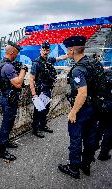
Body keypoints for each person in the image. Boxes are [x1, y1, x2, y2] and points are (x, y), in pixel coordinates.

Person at [58, 36, 98, 179]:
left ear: (72, 50)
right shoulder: (92, 62)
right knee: (90, 137)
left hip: (83, 108)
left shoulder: (78, 70)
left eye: (67, 50)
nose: (67, 53)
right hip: (95, 107)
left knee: (76, 138)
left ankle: (74, 167)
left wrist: (73, 112)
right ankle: (86, 164)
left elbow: (82, 94)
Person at [0, 41, 28, 161]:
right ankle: (2, 150)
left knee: (9, 122)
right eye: (17, 54)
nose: (17, 56)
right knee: (6, 123)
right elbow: (18, 83)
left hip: (7, 96)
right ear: (12, 53)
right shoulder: (8, 66)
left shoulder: (3, 64)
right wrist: (23, 70)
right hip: (8, 98)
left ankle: (6, 141)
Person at [29, 41, 68, 138]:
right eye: (43, 49)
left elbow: (60, 58)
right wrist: (33, 93)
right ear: (40, 50)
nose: (45, 51)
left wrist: (69, 54)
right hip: (40, 90)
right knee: (38, 110)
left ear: (49, 50)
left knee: (46, 109)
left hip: (47, 89)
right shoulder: (36, 63)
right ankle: (35, 129)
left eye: (47, 50)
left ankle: (43, 126)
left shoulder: (49, 60)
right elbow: (31, 78)